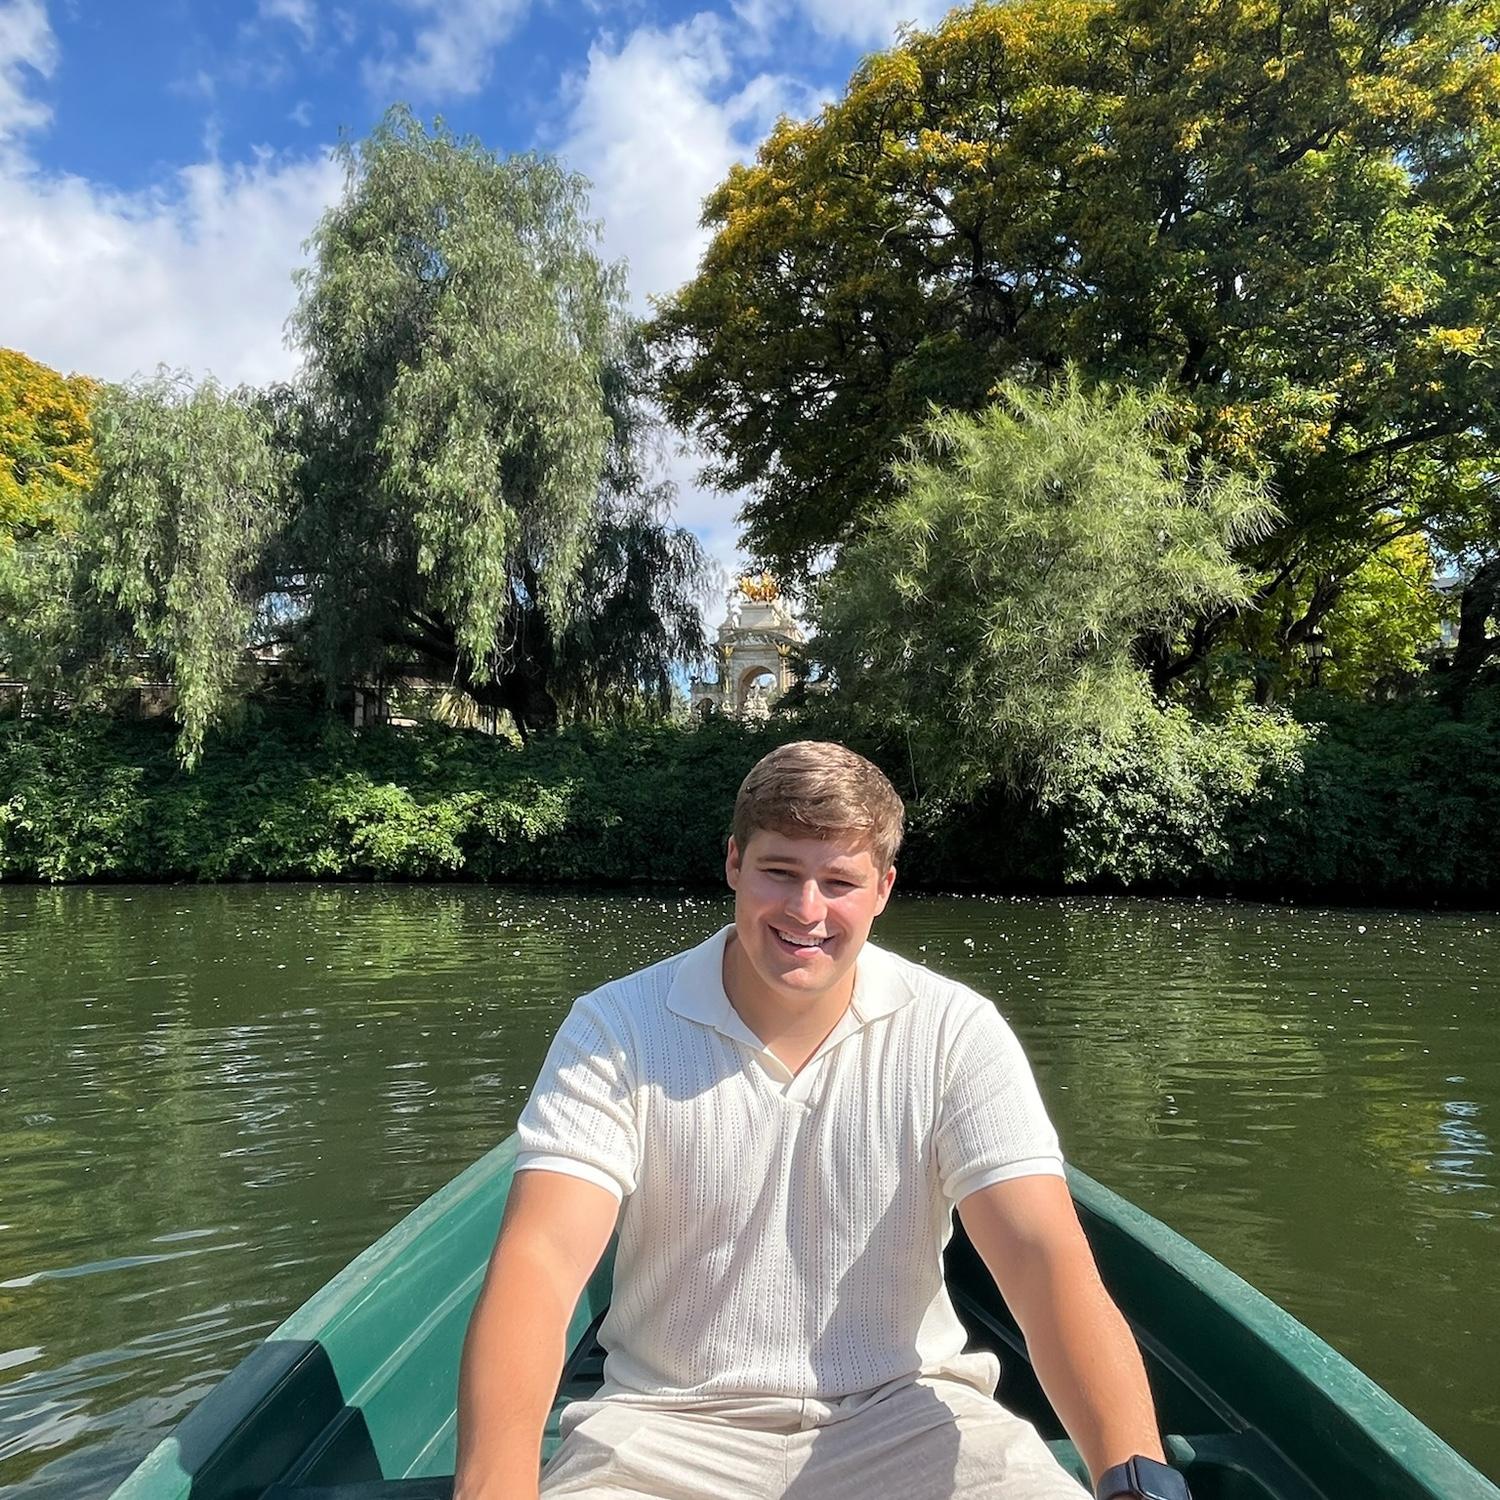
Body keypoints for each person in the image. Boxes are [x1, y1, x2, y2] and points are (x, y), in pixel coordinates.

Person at [453, 741, 1189, 1500]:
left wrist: (1137, 1477)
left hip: (905, 1415)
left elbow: (1042, 1256)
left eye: (839, 881)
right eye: (780, 871)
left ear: (883, 890)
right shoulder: (615, 1028)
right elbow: (539, 1260)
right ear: (734, 862)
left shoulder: (955, 1032)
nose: (807, 910)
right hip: (665, 1431)